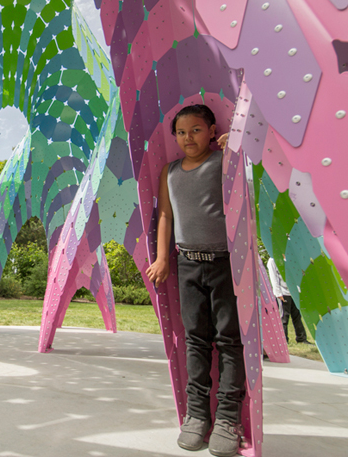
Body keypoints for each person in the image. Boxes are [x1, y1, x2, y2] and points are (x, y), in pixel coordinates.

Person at [146, 104, 245, 457]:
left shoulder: (224, 162)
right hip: (188, 264)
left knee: (229, 341)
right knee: (195, 341)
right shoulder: (169, 171)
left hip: (224, 264)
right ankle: (197, 415)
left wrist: (235, 147)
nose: (188, 137)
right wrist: (161, 258)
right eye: (181, 132)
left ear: (211, 130)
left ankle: (229, 418)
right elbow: (164, 216)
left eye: (197, 130)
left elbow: (250, 182)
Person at [267, 256, 307, 344]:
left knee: (297, 316)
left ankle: (302, 338)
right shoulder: (273, 260)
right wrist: (278, 293)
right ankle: (283, 340)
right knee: (284, 318)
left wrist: (299, 291)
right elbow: (273, 278)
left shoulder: (290, 257)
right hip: (283, 293)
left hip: (294, 292)